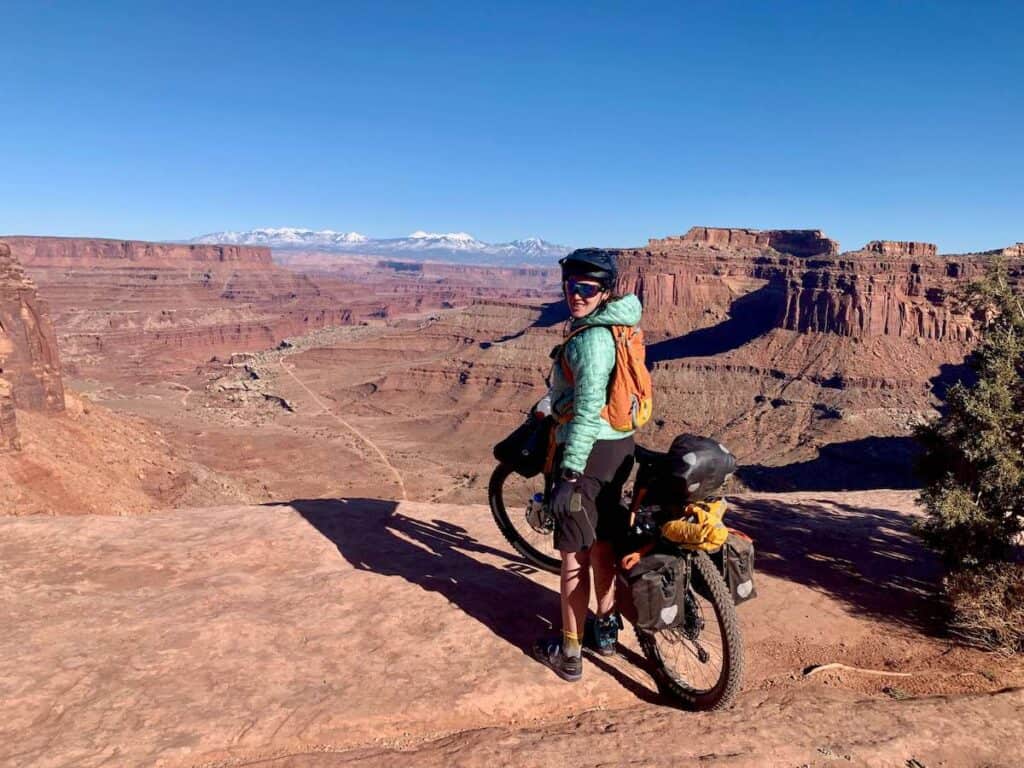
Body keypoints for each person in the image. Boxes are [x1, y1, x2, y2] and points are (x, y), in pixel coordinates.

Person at [531, 248, 642, 681]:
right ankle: (607, 630)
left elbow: (588, 408)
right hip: (619, 448)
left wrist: (570, 473)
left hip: (589, 452)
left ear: (604, 291)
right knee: (604, 542)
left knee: (574, 554)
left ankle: (571, 653)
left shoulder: (591, 341)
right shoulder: (618, 323)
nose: (575, 295)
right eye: (569, 287)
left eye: (586, 289)